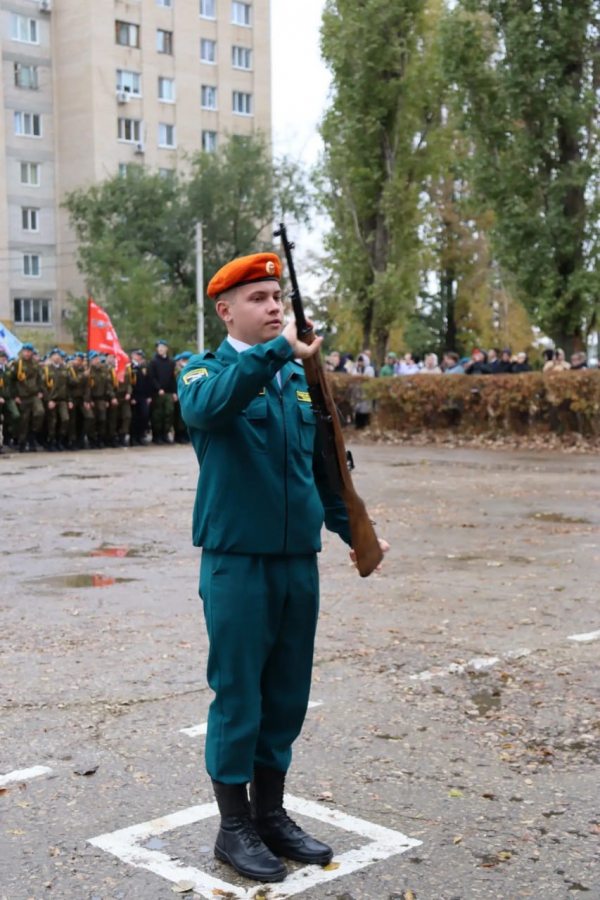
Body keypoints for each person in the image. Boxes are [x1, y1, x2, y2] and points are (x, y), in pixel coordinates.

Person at [178, 252, 389, 884]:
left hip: (299, 562)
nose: (275, 307)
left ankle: (270, 813)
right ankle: (233, 825)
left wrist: (350, 527)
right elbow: (212, 409)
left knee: (287, 693)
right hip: (238, 563)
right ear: (225, 310)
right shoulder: (202, 371)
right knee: (239, 692)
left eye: (278, 295)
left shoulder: (296, 381)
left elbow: (321, 467)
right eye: (259, 298)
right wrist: (280, 354)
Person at [11, 343, 44, 452]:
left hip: (34, 395)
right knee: (24, 421)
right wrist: (15, 395)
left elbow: (39, 378)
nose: (27, 353)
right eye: (25, 351)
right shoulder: (17, 364)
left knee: (40, 412)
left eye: (29, 351)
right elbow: (12, 381)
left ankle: (33, 435)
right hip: (22, 396)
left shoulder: (35, 364)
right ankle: (22, 443)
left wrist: (40, 391)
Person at [148, 340, 177, 444]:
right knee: (158, 414)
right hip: (158, 392)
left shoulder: (170, 362)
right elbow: (151, 377)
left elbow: (173, 378)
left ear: (166, 348)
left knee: (169, 412)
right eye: (159, 347)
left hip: (168, 392)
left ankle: (165, 434)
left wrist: (174, 392)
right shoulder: (153, 362)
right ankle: (157, 435)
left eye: (162, 347)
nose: (160, 349)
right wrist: (158, 388)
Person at [43, 347, 72, 451]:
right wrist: (48, 399)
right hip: (52, 399)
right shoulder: (47, 369)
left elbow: (68, 386)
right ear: (51, 357)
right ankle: (51, 441)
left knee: (65, 419)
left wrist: (70, 400)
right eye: (55, 356)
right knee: (52, 422)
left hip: (63, 399)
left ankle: (60, 440)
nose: (57, 357)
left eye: (59, 356)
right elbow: (43, 387)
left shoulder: (64, 370)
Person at [130, 349, 152, 446]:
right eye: (138, 355)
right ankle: (133, 438)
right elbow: (130, 384)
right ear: (133, 355)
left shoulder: (142, 367)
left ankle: (140, 436)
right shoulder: (130, 367)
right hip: (135, 396)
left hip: (143, 396)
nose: (140, 357)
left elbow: (147, 382)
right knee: (135, 417)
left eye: (140, 355)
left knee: (144, 416)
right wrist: (132, 397)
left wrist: (148, 395)